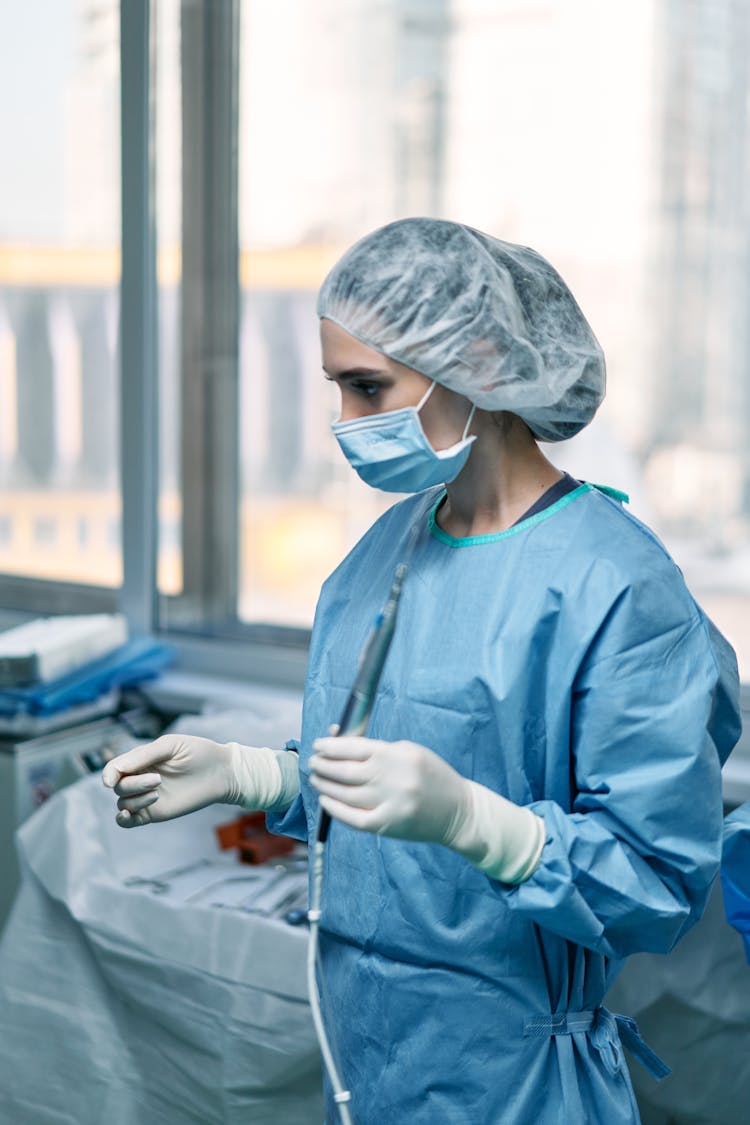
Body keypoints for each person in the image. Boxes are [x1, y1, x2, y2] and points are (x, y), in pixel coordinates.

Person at [103, 218, 741, 1124]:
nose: (347, 425)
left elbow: (656, 882)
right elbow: (377, 788)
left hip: (516, 1082)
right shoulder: (380, 559)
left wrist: (480, 825)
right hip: (370, 1060)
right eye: (337, 390)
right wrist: (255, 773)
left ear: (478, 358)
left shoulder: (616, 586)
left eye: (370, 388)